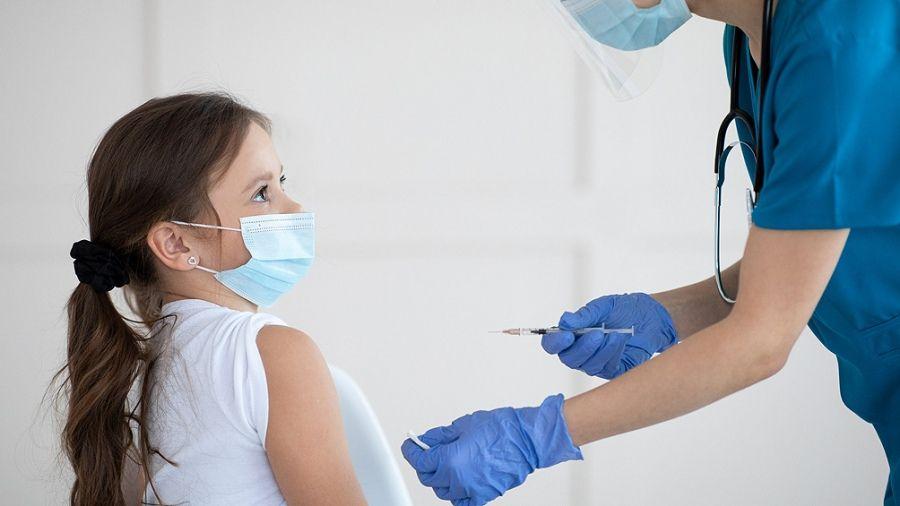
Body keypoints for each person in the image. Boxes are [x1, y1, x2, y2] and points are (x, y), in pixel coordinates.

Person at [402, 0, 900, 504]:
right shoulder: (753, 40)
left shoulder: (837, 45)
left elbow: (762, 341)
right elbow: (807, 260)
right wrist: (667, 315)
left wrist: (536, 436)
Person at [56, 92, 367, 505]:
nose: (294, 207)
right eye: (261, 193)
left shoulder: (128, 371)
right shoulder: (273, 355)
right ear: (175, 242)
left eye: (282, 182)